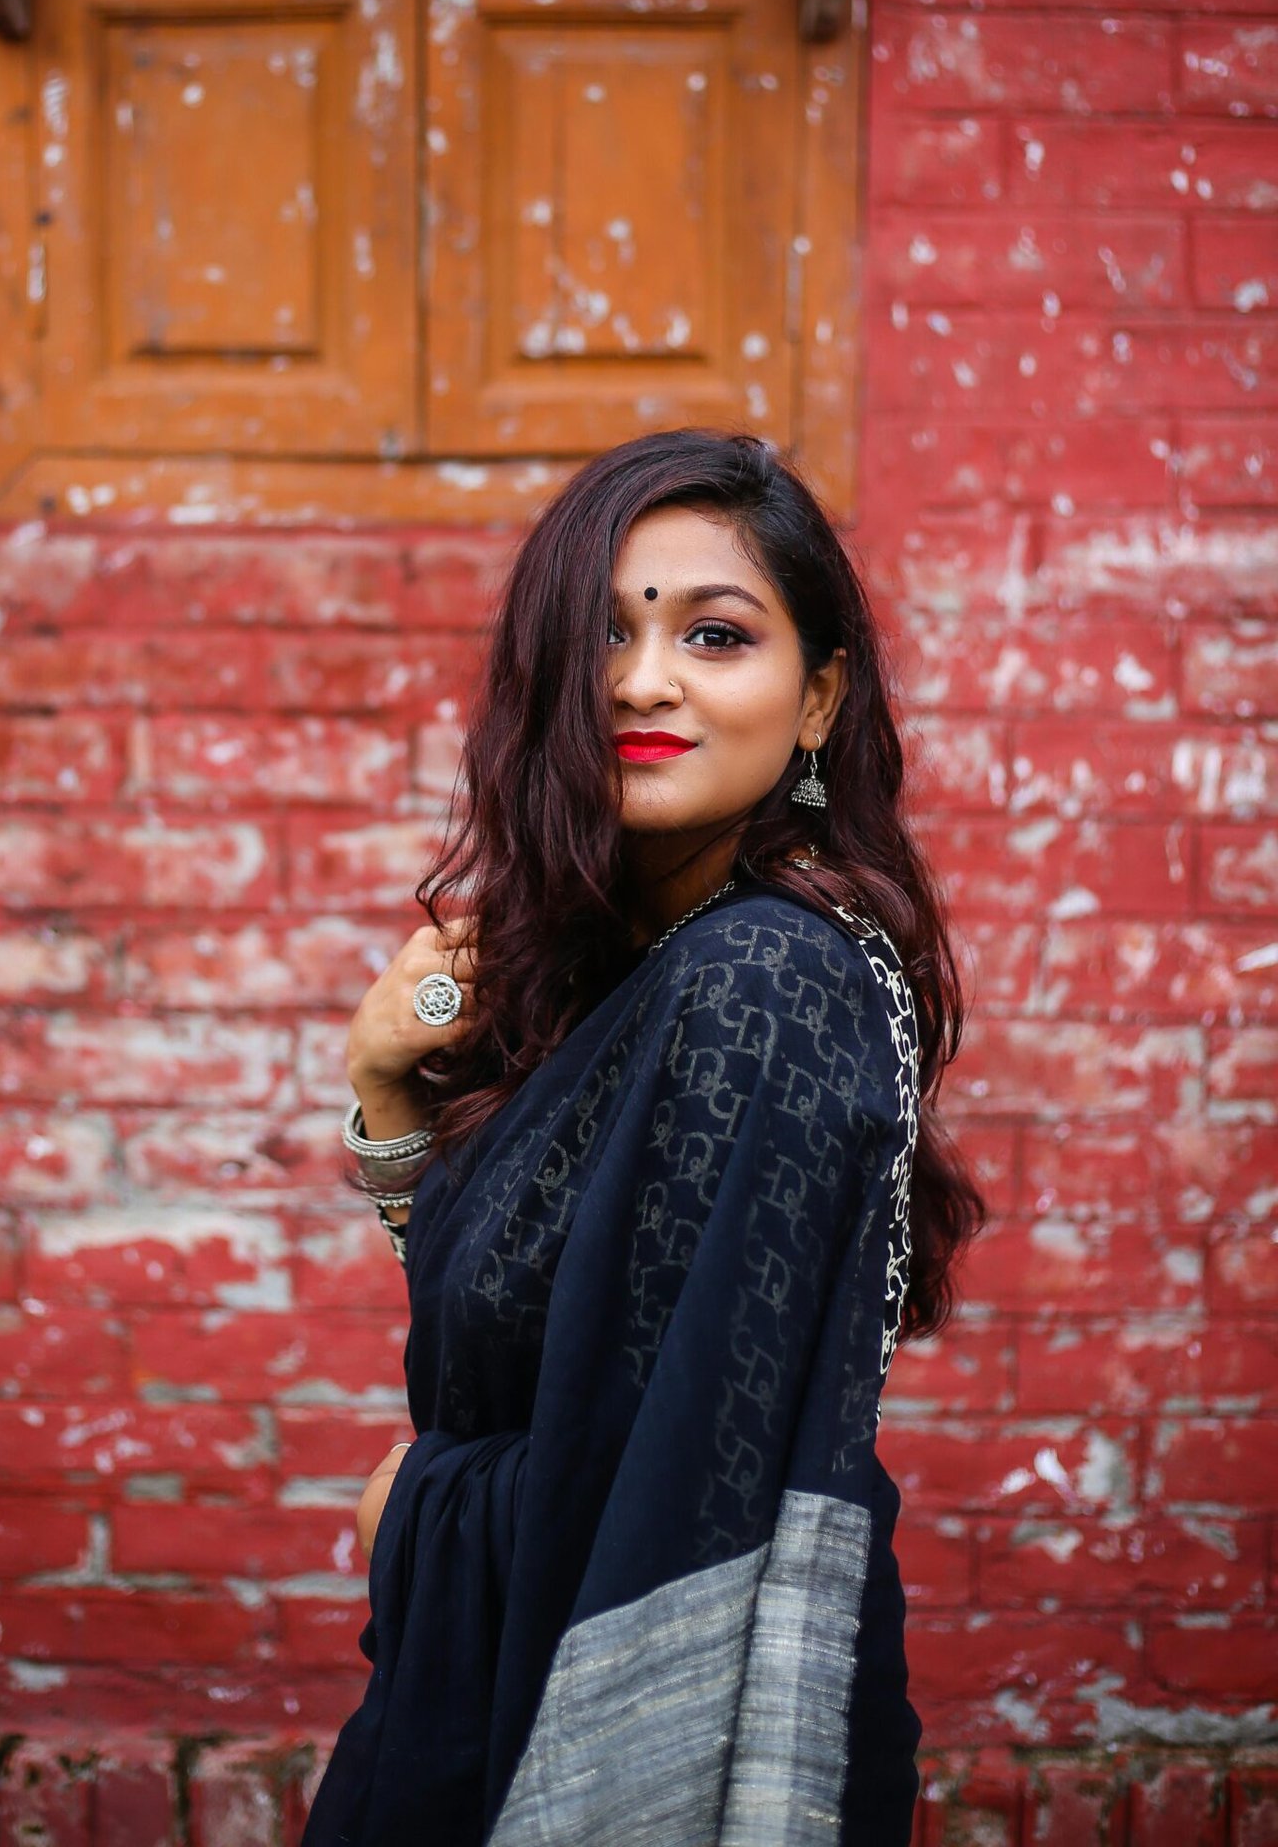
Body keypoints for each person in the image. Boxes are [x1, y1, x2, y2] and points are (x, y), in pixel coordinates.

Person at [303, 428, 983, 1847]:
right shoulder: (649, 966)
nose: (640, 681)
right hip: (490, 1703)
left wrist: (416, 1509)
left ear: (818, 698)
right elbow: (540, 1342)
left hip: (624, 1747)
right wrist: (388, 1098)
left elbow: (671, 1478)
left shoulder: (758, 981)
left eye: (714, 635)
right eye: (602, 635)